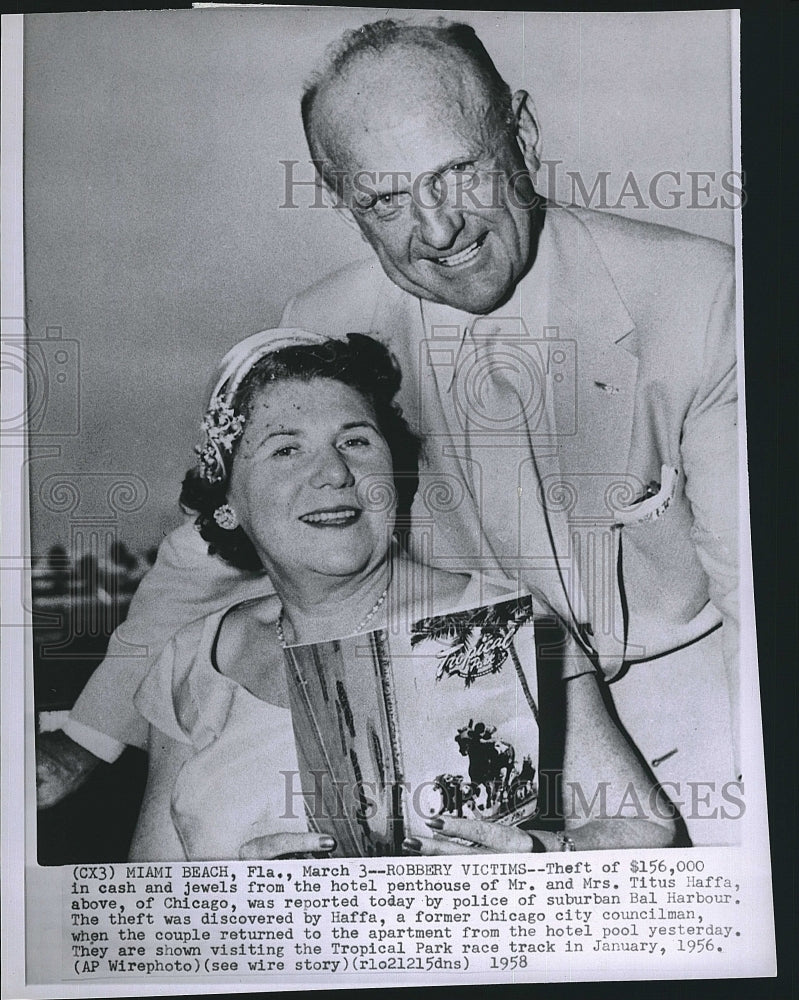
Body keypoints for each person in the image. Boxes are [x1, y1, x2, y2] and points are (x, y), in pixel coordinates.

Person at [39, 17, 739, 844]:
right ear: (341, 201)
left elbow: (755, 591)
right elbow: (212, 547)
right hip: (456, 733)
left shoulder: (698, 297)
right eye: (384, 200)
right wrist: (86, 740)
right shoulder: (324, 320)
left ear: (519, 134)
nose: (438, 231)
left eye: (457, 173)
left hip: (689, 730)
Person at [126, 328, 678, 859]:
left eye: (356, 440)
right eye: (286, 450)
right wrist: (239, 898)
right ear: (226, 502)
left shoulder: (500, 622)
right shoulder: (192, 659)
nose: (335, 473)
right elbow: (146, 899)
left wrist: (536, 854)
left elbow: (646, 829)